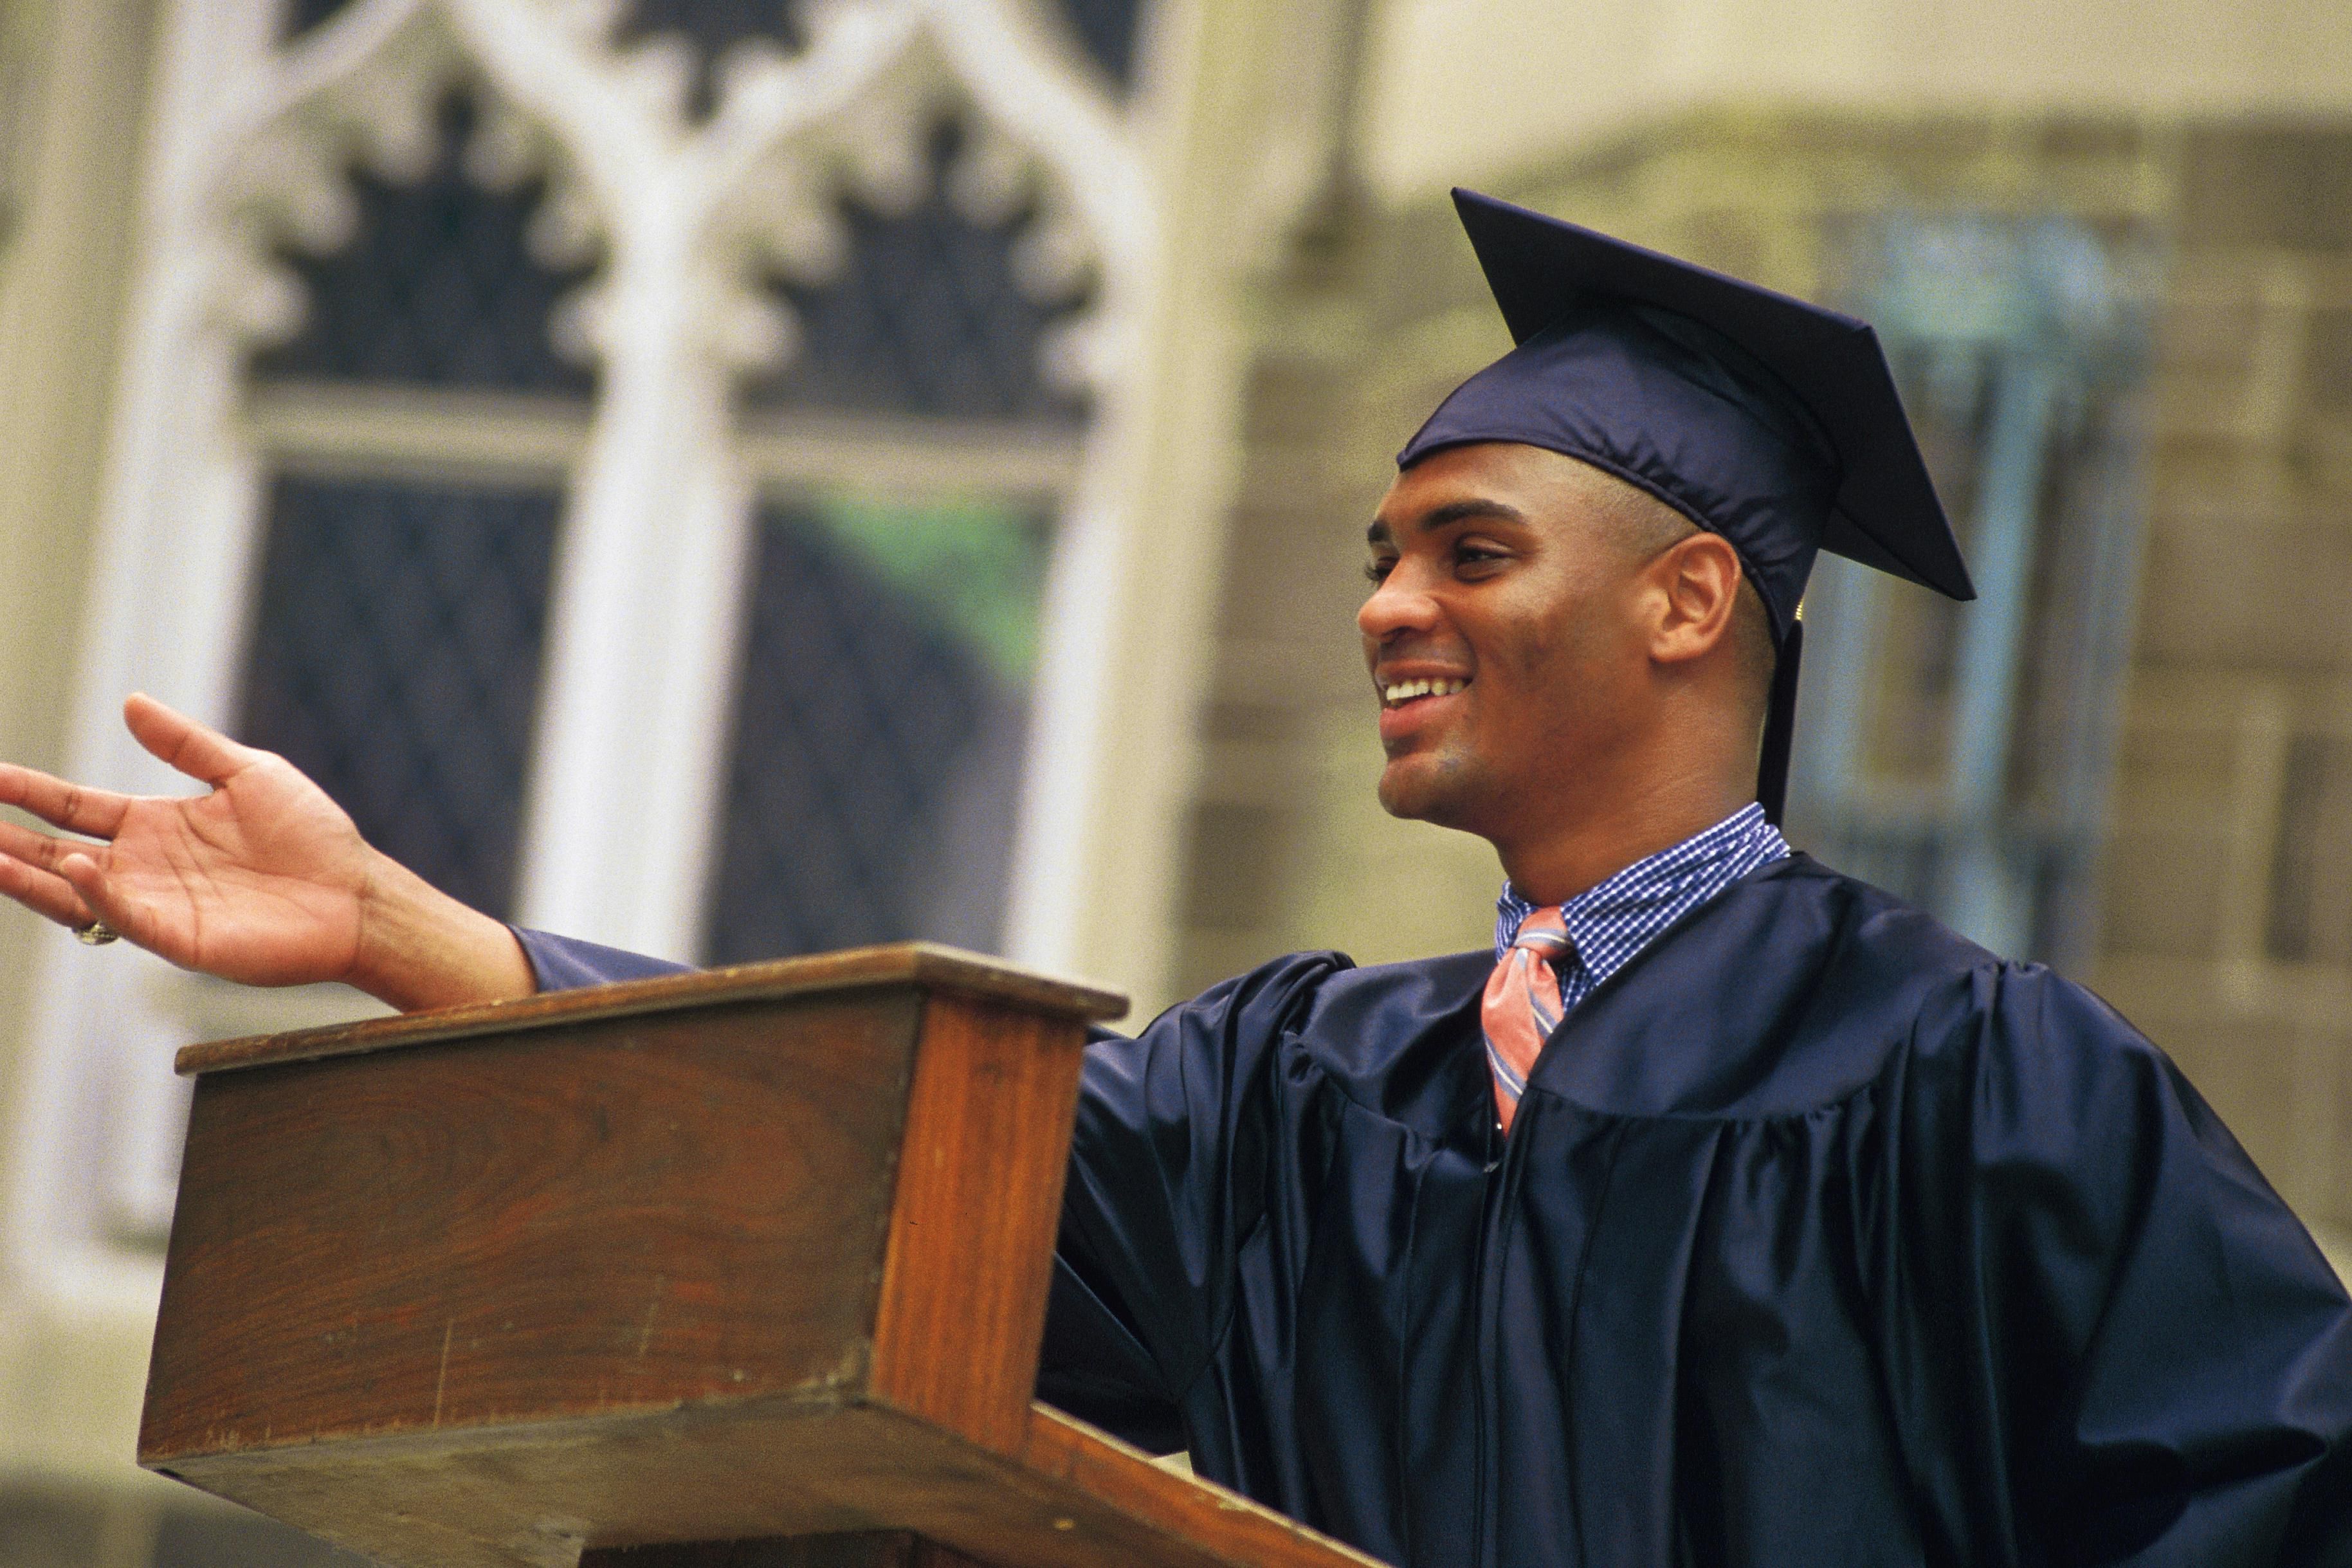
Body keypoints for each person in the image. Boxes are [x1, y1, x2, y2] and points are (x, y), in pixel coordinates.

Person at [4, 192, 2348, 1567]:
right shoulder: (1293, 1084)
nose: (1383, 607)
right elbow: (881, 1164)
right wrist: (408, 934)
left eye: (1466, 550)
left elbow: (2270, 1495)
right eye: (1374, 557)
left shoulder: (1972, 1076)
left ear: (1686, 605)